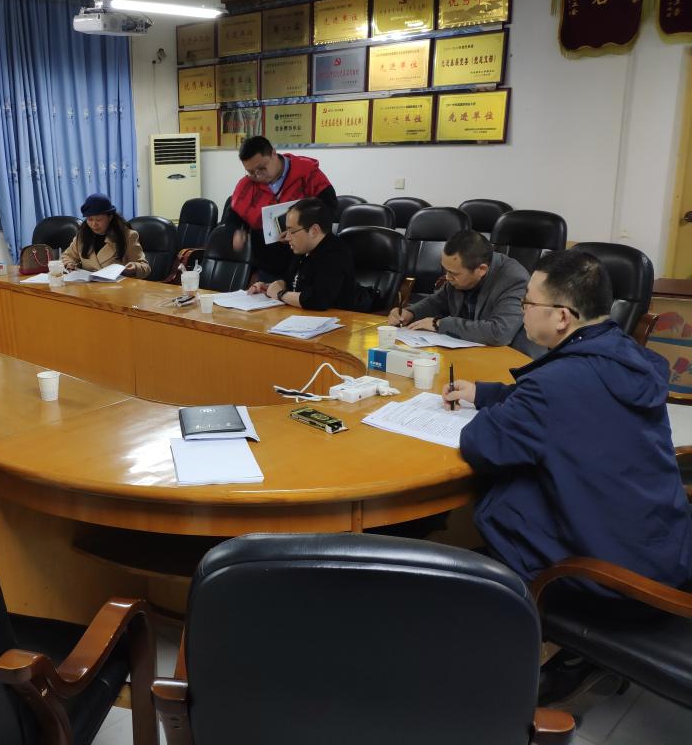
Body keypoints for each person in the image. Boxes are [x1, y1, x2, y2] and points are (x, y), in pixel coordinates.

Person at [442, 249, 692, 596]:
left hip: (612, 583)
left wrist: (500, 410)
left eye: (528, 302)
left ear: (561, 317)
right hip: (663, 555)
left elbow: (481, 443)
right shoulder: (622, 353)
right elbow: (570, 402)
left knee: (501, 490)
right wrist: (485, 393)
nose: (522, 310)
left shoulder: (554, 385)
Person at [387, 229, 541, 358]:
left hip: (511, 360)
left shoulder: (514, 279)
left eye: (453, 274)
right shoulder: (459, 273)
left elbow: (499, 332)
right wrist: (410, 313)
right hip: (470, 352)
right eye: (446, 270)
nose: (447, 278)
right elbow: (438, 301)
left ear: (481, 269)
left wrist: (439, 323)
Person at [226, 136, 337, 281]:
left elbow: (329, 206)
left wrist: (298, 230)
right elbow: (233, 218)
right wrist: (237, 232)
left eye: (261, 168)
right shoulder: (247, 185)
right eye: (251, 172)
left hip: (308, 263)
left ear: (273, 153)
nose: (258, 175)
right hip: (269, 264)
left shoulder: (306, 172)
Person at [247, 197, 373, 311]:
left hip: (343, 319)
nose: (287, 237)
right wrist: (268, 288)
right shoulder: (302, 248)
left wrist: (280, 294)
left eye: (292, 231)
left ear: (314, 230)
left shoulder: (336, 253)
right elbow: (295, 284)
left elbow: (318, 300)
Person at [61, 193, 150, 279]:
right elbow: (67, 256)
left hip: (117, 287)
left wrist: (134, 268)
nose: (94, 224)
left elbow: (145, 268)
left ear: (110, 217)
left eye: (98, 220)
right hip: (87, 286)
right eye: (90, 219)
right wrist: (69, 263)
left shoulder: (128, 236)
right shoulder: (82, 235)